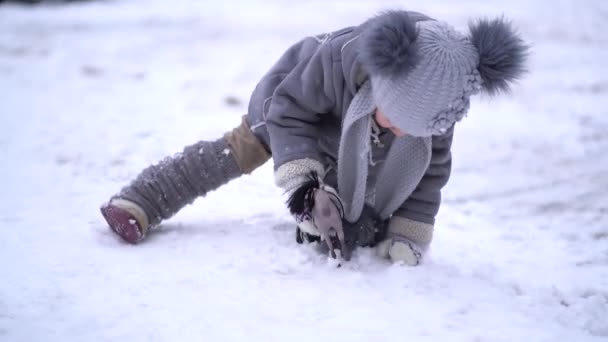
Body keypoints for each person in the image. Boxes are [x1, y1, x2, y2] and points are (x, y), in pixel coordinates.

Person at [100, 10, 529, 266]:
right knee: (240, 151)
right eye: (396, 119)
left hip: (351, 126)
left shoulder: (439, 101)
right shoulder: (333, 63)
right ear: (381, 83)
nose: (400, 131)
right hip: (288, 105)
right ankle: (142, 200)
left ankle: (334, 222)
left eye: (412, 130)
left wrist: (409, 232)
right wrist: (305, 190)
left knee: (358, 203)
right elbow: (290, 113)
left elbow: (430, 171)